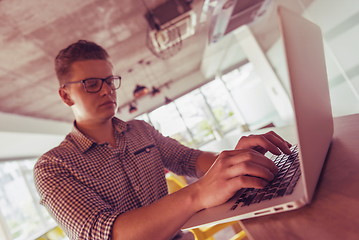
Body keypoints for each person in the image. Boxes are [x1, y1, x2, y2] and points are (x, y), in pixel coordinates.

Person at [34, 40, 292, 240]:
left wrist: (233, 160)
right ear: (66, 96)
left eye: (110, 81)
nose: (106, 90)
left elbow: (189, 160)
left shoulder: (140, 131)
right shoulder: (53, 167)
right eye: (91, 83)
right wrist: (198, 193)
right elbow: (109, 236)